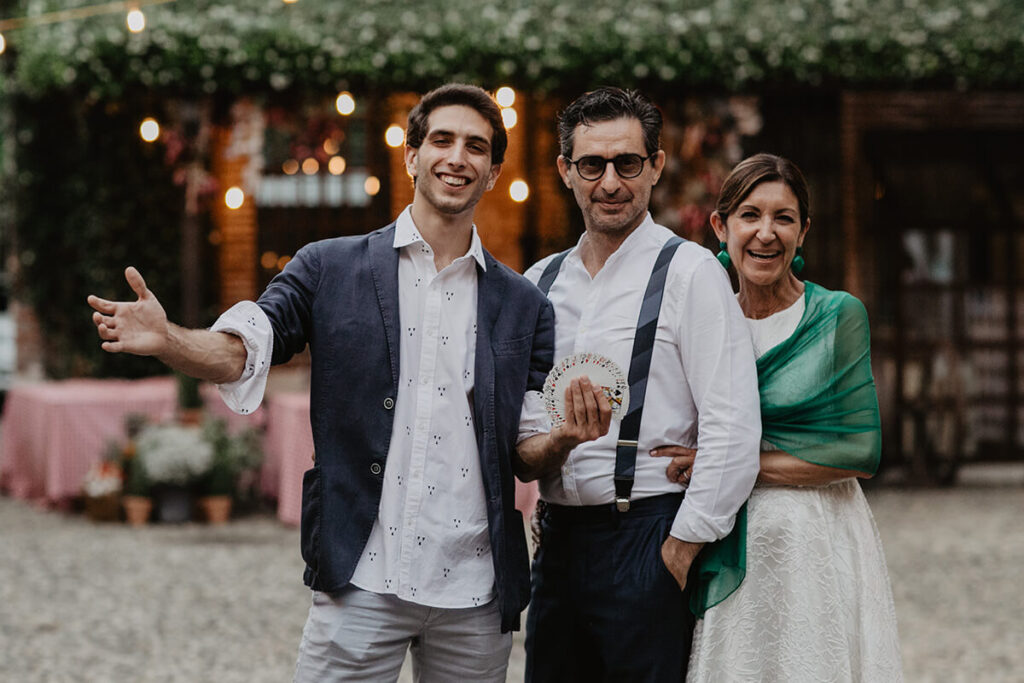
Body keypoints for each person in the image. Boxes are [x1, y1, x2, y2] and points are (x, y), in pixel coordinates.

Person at [88, 83, 610, 682]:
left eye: (476, 147)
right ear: (411, 155)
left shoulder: (525, 305)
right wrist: (172, 339)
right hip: (362, 575)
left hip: (475, 590)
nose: (457, 158)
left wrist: (568, 436)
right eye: (441, 140)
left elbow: (525, 451)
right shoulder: (327, 266)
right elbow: (245, 348)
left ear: (492, 172)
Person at [517, 87, 762, 681]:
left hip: (647, 536)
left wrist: (679, 550)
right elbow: (523, 443)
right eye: (591, 165)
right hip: (557, 544)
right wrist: (562, 442)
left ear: (654, 166)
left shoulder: (692, 272)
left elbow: (733, 426)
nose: (609, 182)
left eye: (627, 163)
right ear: (565, 172)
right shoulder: (539, 284)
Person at [654, 153, 903, 681]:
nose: (766, 233)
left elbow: (859, 452)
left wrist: (725, 462)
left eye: (783, 218)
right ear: (720, 226)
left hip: (814, 543)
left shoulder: (838, 316)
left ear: (803, 231)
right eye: (750, 215)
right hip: (720, 538)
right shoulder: (696, 313)